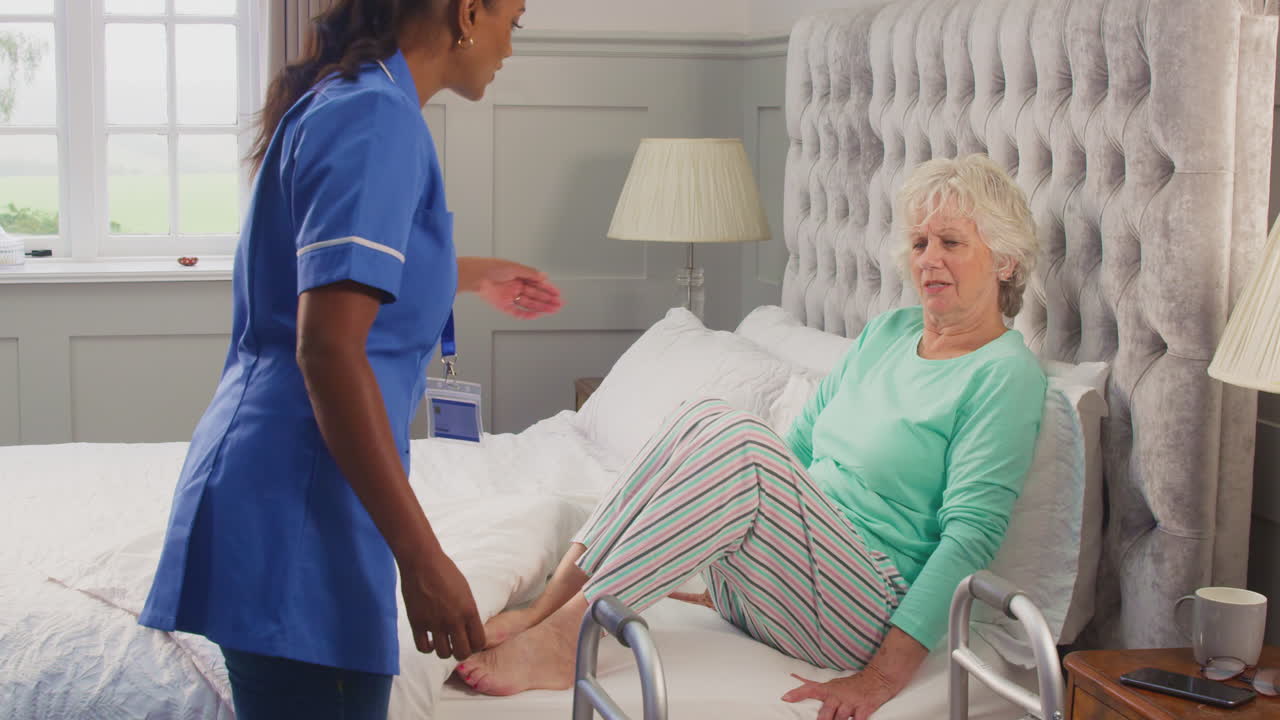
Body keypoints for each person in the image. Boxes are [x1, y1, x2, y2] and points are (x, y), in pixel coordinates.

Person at [455, 153, 1048, 720]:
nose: (928, 260)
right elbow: (802, 451)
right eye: (919, 243)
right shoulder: (888, 333)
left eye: (951, 242)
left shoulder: (1004, 374)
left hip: (863, 609)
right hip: (795, 582)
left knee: (740, 439)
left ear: (1005, 262)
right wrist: (757, 549)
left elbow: (969, 540)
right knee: (705, 415)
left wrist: (882, 678)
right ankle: (547, 608)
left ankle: (564, 641)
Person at [138, 1, 558, 718]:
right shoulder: (377, 121)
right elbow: (329, 349)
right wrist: (422, 558)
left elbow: (341, 276)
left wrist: (464, 272)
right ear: (466, 13)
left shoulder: (356, 100)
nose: (509, 48)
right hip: (301, 505)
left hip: (285, 483)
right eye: (511, 22)